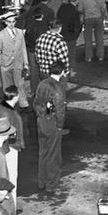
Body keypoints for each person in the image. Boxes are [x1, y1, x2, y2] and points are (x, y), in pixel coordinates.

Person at [35, 61, 67, 193]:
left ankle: (41, 182)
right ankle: (51, 185)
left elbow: (36, 102)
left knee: (43, 153)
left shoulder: (42, 84)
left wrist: (41, 115)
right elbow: (60, 110)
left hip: (40, 121)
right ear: (62, 72)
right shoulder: (58, 88)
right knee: (53, 155)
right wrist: (59, 126)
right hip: (52, 123)